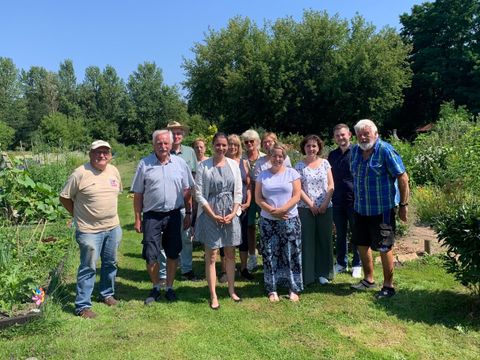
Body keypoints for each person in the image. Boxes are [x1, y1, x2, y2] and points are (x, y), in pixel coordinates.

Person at [60, 140, 122, 319]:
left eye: (105, 152)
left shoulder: (114, 171)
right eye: (97, 152)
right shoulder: (80, 173)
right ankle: (82, 305)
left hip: (112, 227)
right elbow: (64, 197)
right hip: (88, 230)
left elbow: (115, 193)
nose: (101, 155)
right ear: (90, 154)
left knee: (111, 263)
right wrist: (77, 215)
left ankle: (107, 294)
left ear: (110, 155)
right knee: (88, 266)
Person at [131, 129, 194, 304]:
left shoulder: (180, 164)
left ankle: (170, 287)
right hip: (152, 216)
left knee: (173, 253)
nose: (163, 146)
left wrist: (188, 213)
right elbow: (138, 194)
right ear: (154, 145)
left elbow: (188, 190)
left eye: (166, 143)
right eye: (159, 143)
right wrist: (138, 218)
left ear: (172, 144)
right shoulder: (144, 164)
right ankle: (156, 287)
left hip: (174, 214)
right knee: (151, 254)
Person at [350, 119, 409, 298]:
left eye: (366, 133)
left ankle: (388, 286)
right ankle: (368, 279)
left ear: (375, 134)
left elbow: (403, 177)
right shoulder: (355, 151)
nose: (362, 137)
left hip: (382, 210)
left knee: (384, 247)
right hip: (360, 208)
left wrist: (403, 205)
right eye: (359, 134)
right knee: (361, 243)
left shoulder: (385, 150)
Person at [195, 132, 243, 309]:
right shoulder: (203, 166)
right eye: (218, 145)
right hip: (211, 212)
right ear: (213, 145)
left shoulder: (233, 164)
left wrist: (234, 211)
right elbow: (199, 193)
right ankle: (213, 294)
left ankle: (231, 290)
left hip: (230, 211)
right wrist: (212, 213)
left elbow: (238, 191)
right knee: (212, 255)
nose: (222, 148)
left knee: (230, 253)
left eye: (224, 145)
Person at [255, 143, 303, 302]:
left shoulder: (292, 173)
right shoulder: (262, 175)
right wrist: (271, 211)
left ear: (285, 157)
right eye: (274, 156)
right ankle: (272, 288)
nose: (278, 159)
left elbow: (296, 196)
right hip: (268, 221)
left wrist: (283, 210)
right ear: (270, 156)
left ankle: (293, 288)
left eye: (281, 156)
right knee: (269, 253)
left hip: (289, 219)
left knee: (291, 252)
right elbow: (258, 198)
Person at [295, 135, 334, 285]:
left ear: (318, 148)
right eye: (308, 146)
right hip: (305, 208)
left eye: (314, 146)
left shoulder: (325, 163)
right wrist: (311, 204)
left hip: (325, 207)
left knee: (324, 240)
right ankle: (308, 275)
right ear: (303, 148)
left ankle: (324, 273)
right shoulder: (298, 166)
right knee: (307, 241)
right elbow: (298, 188)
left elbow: (331, 185)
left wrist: (325, 203)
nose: (311, 149)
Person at [328, 124, 362, 278]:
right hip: (337, 200)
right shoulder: (332, 155)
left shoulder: (358, 151)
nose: (340, 138)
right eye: (337, 135)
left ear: (349, 134)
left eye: (343, 135)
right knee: (341, 234)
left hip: (354, 200)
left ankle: (357, 263)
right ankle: (341, 263)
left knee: (356, 233)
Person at [166, 121, 199, 281]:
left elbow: (194, 176)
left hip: (185, 200)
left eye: (179, 133)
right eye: (173, 133)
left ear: (183, 135)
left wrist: (192, 201)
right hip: (167, 201)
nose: (176, 136)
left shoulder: (189, 152)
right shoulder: (163, 150)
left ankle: (187, 270)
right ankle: (165, 272)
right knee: (165, 237)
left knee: (186, 236)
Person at [224, 134, 253, 280]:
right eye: (230, 144)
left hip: (242, 206)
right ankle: (227, 270)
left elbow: (248, 185)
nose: (232, 147)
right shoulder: (222, 162)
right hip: (226, 206)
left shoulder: (244, 162)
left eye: (235, 144)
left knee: (243, 238)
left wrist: (248, 202)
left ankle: (243, 268)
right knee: (227, 238)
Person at [240, 129, 265, 273]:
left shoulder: (264, 157)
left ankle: (266, 254)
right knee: (249, 226)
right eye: (246, 142)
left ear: (257, 142)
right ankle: (252, 256)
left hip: (263, 195)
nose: (249, 144)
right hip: (248, 196)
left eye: (252, 141)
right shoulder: (242, 158)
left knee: (265, 223)